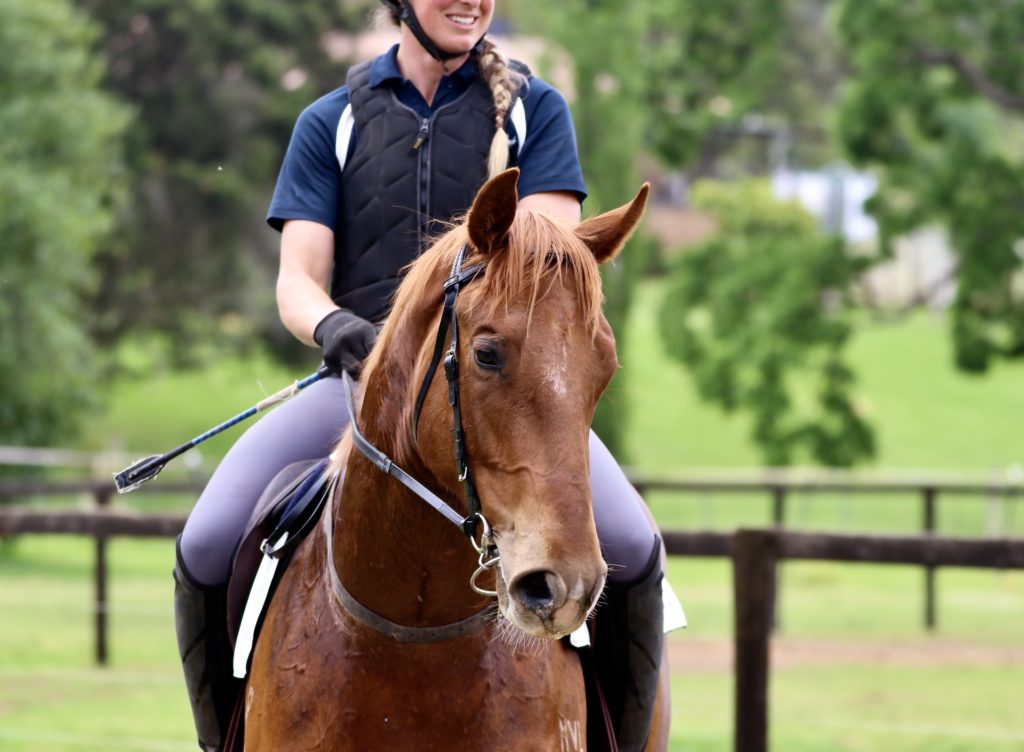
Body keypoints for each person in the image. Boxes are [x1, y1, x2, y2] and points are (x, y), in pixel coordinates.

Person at [172, 1, 664, 750]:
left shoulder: (537, 111)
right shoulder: (331, 120)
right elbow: (296, 279)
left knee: (635, 551)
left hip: (502, 390)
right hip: (358, 388)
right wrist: (333, 325)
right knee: (206, 546)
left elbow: (552, 265)